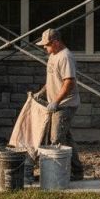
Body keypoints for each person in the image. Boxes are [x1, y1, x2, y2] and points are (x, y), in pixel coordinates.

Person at [34, 28, 85, 180]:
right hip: (57, 104)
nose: (45, 47)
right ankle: (76, 171)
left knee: (56, 139)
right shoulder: (53, 56)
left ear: (56, 42)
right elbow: (52, 79)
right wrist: (41, 92)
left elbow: (69, 82)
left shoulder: (65, 57)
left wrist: (56, 101)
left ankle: (60, 174)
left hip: (66, 104)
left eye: (47, 44)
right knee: (66, 138)